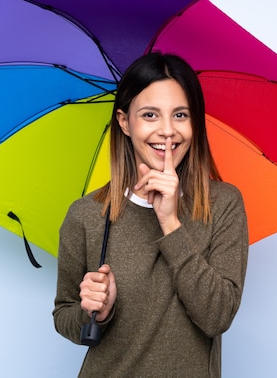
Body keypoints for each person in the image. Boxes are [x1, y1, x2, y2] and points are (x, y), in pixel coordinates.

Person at [53, 52, 249, 377]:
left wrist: (170, 223)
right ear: (124, 122)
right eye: (150, 115)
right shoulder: (87, 215)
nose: (168, 131)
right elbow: (65, 316)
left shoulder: (223, 204)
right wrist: (97, 313)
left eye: (181, 115)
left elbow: (217, 317)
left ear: (195, 122)